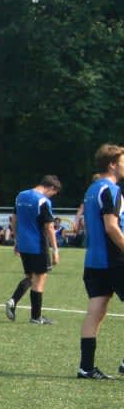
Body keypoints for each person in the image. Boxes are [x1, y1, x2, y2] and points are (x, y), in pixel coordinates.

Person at [78, 147, 124, 379]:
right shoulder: (111, 189)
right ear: (112, 165)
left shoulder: (92, 189)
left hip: (94, 260)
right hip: (115, 260)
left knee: (94, 312)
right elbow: (111, 227)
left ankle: (86, 367)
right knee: (96, 312)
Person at [6, 175, 61, 323]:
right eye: (53, 193)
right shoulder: (43, 201)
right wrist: (55, 250)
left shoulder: (21, 196)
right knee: (40, 279)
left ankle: (13, 301)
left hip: (23, 244)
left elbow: (14, 219)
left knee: (30, 277)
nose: (52, 196)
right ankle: (36, 317)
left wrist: (17, 241)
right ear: (51, 188)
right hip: (38, 245)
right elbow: (49, 226)